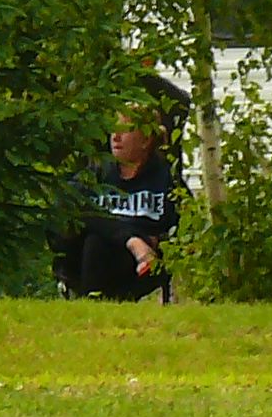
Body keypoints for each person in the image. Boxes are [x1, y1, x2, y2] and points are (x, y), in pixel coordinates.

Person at [58, 110, 183, 300]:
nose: (115, 137)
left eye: (124, 130)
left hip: (141, 269)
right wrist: (134, 240)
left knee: (101, 236)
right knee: (96, 241)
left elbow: (182, 227)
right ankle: (93, 307)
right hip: (94, 261)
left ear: (146, 140)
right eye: (113, 130)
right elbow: (69, 206)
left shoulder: (166, 180)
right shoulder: (97, 173)